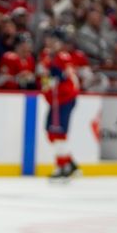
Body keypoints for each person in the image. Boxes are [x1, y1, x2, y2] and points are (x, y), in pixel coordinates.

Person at [38, 28, 80, 179]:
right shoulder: (46, 56)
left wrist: (57, 74)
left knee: (59, 132)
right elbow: (45, 78)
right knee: (50, 132)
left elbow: (68, 77)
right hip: (54, 101)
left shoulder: (63, 57)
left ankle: (62, 166)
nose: (50, 42)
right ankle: (70, 163)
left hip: (65, 99)